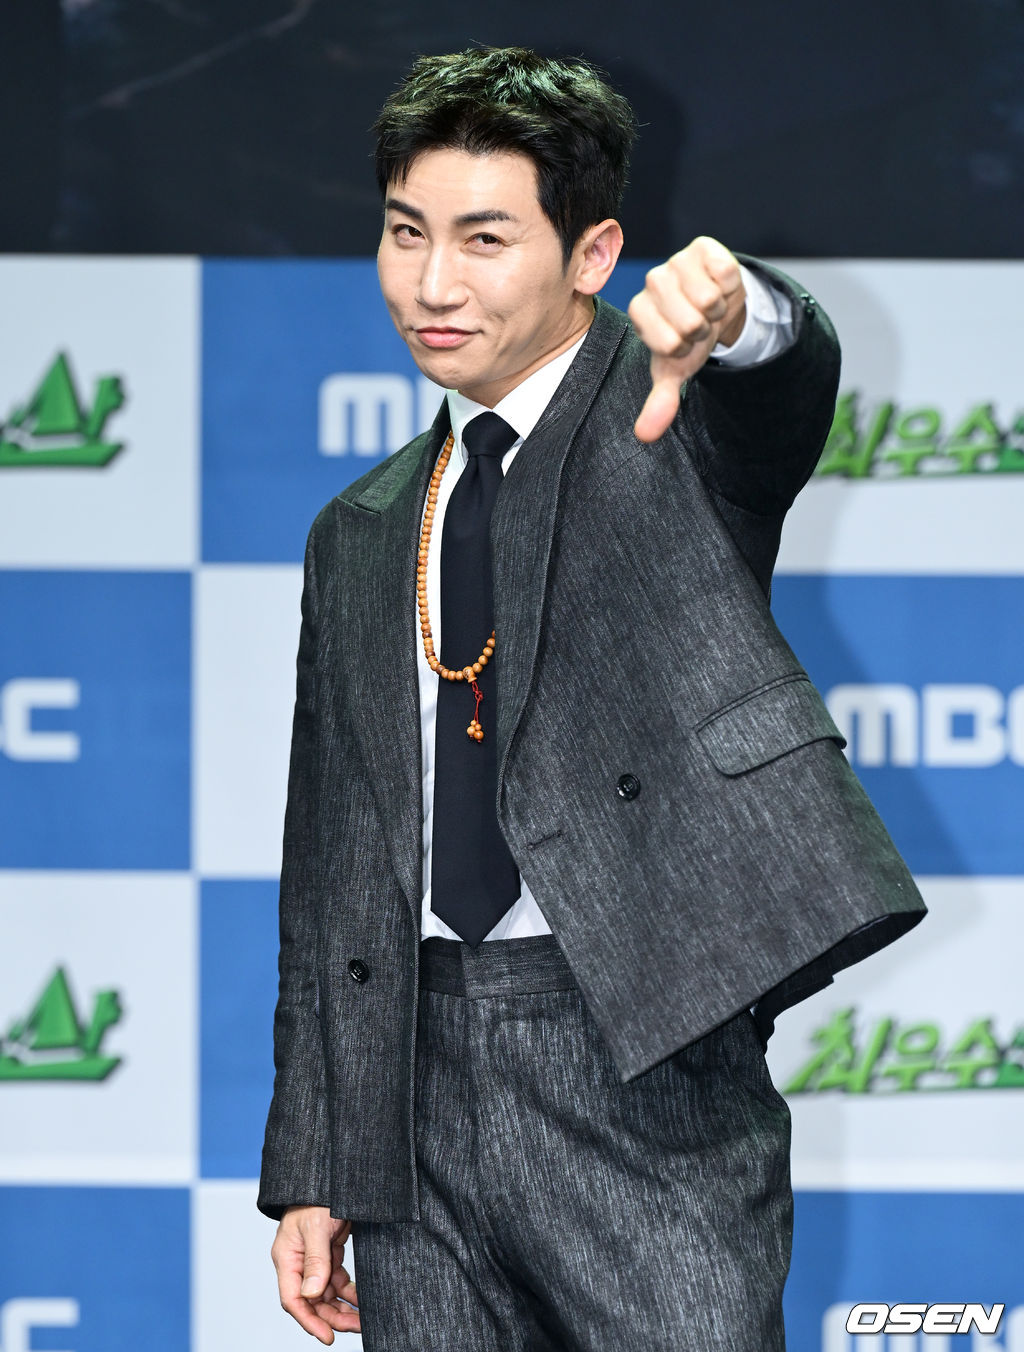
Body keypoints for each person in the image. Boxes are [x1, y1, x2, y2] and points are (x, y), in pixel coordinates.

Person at [259, 46, 925, 1351]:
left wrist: (743, 315)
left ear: (593, 253)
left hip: (640, 1050)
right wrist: (315, 1160)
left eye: (484, 238)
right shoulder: (360, 527)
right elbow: (331, 861)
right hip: (408, 1092)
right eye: (406, 232)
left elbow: (781, 380)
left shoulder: (671, 424)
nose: (432, 284)